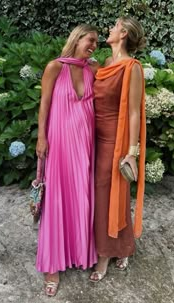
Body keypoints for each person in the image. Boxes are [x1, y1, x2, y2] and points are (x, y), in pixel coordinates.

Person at [36, 24, 99, 296]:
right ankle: (52, 267)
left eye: (97, 42)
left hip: (85, 144)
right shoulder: (55, 67)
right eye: (91, 40)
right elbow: (45, 104)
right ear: (77, 38)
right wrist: (41, 138)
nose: (94, 45)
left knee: (81, 198)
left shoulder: (92, 70)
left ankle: (78, 253)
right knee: (57, 200)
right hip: (59, 143)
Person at [89, 16, 146, 282]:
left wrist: (131, 152)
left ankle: (105, 253)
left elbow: (134, 112)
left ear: (122, 33)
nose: (109, 30)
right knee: (103, 193)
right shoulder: (104, 64)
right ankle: (122, 246)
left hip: (115, 139)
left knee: (107, 193)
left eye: (113, 26)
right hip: (93, 136)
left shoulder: (131, 67)